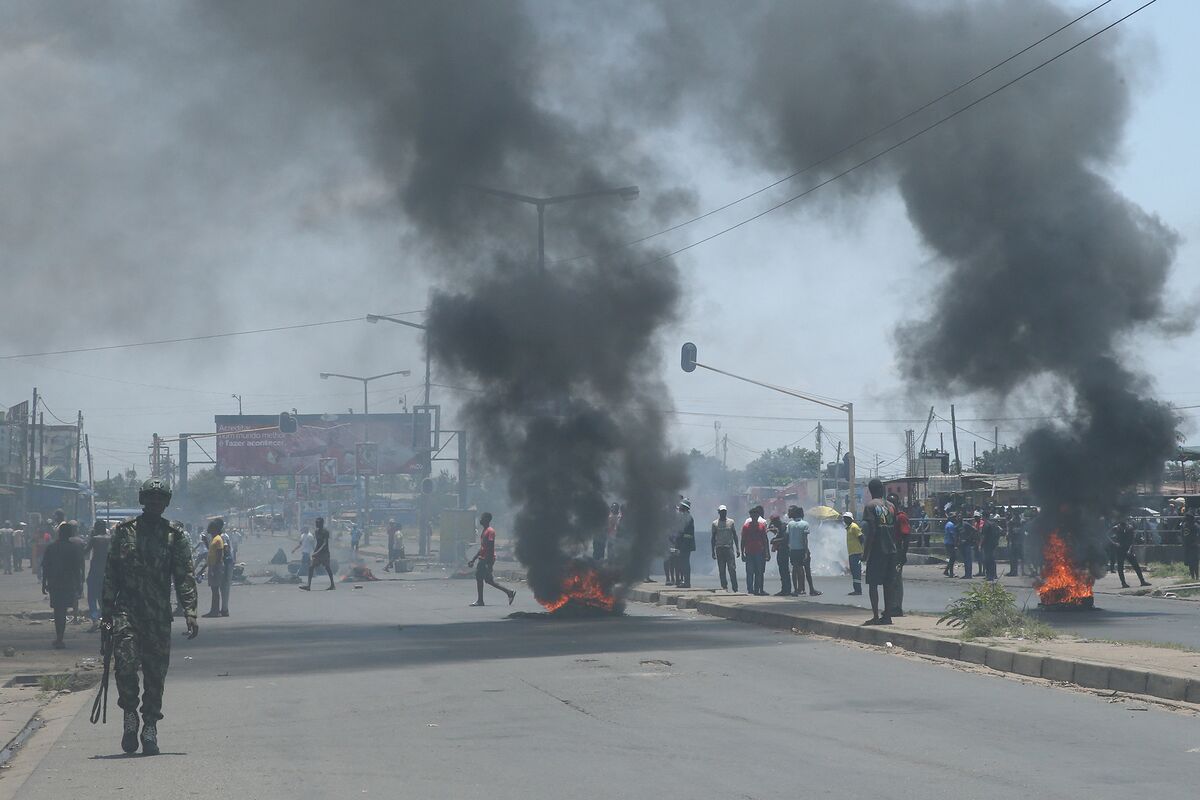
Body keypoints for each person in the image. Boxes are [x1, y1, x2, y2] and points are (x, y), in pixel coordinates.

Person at [101, 478, 198, 755]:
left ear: (166, 503)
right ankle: (130, 716)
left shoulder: (174, 535)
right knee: (126, 667)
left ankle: (150, 726)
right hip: (125, 613)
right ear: (142, 500)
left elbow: (184, 576)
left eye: (160, 499)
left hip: (157, 616)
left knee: (156, 675)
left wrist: (190, 611)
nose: (155, 503)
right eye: (150, 498)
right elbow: (111, 575)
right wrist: (106, 615)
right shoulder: (124, 532)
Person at [861, 478, 899, 625]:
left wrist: (866, 552)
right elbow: (894, 529)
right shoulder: (891, 506)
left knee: (873, 584)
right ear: (882, 490)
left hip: (878, 550)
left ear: (870, 491)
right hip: (892, 550)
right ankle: (887, 616)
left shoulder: (870, 506)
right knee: (888, 584)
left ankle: (876, 616)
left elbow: (871, 531)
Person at [42, 521, 85, 649]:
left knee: (58, 611)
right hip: (68, 583)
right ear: (70, 534)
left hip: (55, 583)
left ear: (59, 533)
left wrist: (44, 583)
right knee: (63, 611)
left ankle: (59, 637)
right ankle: (60, 637)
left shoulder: (51, 547)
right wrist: (79, 584)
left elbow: (46, 567)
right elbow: (77, 568)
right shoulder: (74, 548)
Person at [468, 512, 515, 606]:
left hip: (486, 559)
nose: (480, 520)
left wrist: (488, 563)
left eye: (482, 518)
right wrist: (473, 559)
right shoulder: (484, 531)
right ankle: (509, 592)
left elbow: (490, 546)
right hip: (483, 558)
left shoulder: (490, 531)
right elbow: (482, 548)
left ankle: (480, 601)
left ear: (486, 519)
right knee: (489, 580)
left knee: (479, 577)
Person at [83, 520, 111, 631]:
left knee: (92, 597)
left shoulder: (95, 539)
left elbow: (85, 552)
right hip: (107, 571)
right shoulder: (110, 539)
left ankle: (95, 620)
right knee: (103, 598)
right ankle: (106, 622)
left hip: (95, 571)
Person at [1112, 514, 1151, 589]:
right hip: (1120, 549)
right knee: (1120, 567)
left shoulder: (1130, 528)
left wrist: (1130, 549)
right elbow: (1107, 535)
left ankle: (1142, 581)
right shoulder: (1116, 528)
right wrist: (1114, 543)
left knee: (1136, 566)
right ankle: (1123, 583)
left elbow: (1132, 540)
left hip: (1128, 549)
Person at [787, 506, 819, 597]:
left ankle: (796, 589)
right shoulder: (805, 524)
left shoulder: (790, 524)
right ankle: (811, 589)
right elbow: (805, 539)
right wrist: (806, 552)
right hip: (802, 550)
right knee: (807, 570)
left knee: (795, 569)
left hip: (793, 550)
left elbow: (789, 537)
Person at [299, 516, 336, 591]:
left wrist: (317, 552)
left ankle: (332, 585)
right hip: (318, 553)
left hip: (325, 553)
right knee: (311, 567)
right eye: (316, 523)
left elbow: (324, 543)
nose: (316, 524)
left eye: (317, 523)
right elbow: (318, 543)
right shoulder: (316, 531)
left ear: (321, 523)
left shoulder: (325, 532)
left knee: (327, 568)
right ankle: (308, 586)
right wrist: (314, 552)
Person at [711, 504, 739, 592]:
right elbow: (713, 538)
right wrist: (712, 551)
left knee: (732, 569)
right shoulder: (715, 523)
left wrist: (738, 548)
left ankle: (735, 588)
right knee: (722, 570)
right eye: (721, 512)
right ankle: (724, 587)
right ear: (719, 513)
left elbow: (735, 535)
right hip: (719, 548)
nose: (723, 513)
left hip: (729, 548)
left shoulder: (731, 522)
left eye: (724, 511)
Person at [741, 506, 769, 596]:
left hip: (759, 552)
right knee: (750, 572)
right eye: (753, 516)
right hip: (749, 552)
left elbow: (765, 540)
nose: (754, 517)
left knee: (758, 571)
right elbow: (743, 540)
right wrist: (742, 553)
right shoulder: (746, 527)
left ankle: (757, 589)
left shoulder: (761, 526)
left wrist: (766, 552)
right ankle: (750, 589)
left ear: (758, 516)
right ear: (751, 516)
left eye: (756, 515)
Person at [203, 519, 228, 618]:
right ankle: (214, 610)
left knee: (215, 590)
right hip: (213, 566)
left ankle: (215, 611)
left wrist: (213, 569)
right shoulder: (214, 539)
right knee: (214, 590)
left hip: (216, 567)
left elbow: (219, 555)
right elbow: (211, 552)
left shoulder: (218, 539)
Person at [891, 503, 910, 616]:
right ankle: (892, 606)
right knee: (891, 581)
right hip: (890, 553)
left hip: (898, 553)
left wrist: (903, 554)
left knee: (897, 581)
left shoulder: (900, 517)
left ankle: (897, 607)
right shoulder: (888, 517)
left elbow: (906, 537)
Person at [768, 513, 791, 596]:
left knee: (784, 570)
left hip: (784, 550)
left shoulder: (783, 527)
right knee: (782, 570)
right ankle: (785, 589)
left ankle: (786, 589)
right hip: (781, 550)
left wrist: (775, 540)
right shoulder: (779, 527)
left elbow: (785, 538)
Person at [675, 499, 695, 588]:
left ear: (684, 507)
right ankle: (684, 581)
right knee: (683, 563)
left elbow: (687, 535)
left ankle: (687, 582)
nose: (680, 508)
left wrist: (682, 546)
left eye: (681, 507)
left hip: (685, 545)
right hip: (683, 544)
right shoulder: (685, 517)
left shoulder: (688, 518)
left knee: (685, 563)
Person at [843, 512, 863, 595]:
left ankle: (858, 590)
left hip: (856, 553)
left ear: (850, 519)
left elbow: (861, 538)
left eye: (846, 518)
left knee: (856, 572)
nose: (844, 519)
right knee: (854, 572)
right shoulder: (848, 528)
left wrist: (863, 551)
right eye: (844, 518)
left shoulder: (854, 527)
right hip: (852, 553)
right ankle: (856, 589)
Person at [981, 513, 1002, 581]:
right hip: (993, 544)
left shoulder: (986, 524)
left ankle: (989, 575)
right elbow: (999, 532)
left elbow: (984, 536)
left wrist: (981, 544)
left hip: (987, 544)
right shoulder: (994, 524)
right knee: (992, 560)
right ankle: (994, 574)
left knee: (987, 560)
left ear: (984, 517)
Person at [958, 511, 979, 579]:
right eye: (958, 516)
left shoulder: (965, 524)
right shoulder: (958, 525)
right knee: (965, 560)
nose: (959, 518)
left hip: (967, 544)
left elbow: (974, 530)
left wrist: (968, 538)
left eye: (960, 516)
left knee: (968, 559)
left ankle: (969, 574)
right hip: (961, 544)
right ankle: (966, 574)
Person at [1183, 506, 1199, 581]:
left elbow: (1198, 536)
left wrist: (1196, 543)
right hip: (1188, 546)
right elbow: (1184, 535)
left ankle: (1197, 577)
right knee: (1190, 563)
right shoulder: (1185, 526)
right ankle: (1193, 577)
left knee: (1195, 562)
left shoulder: (1195, 526)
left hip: (1194, 546)